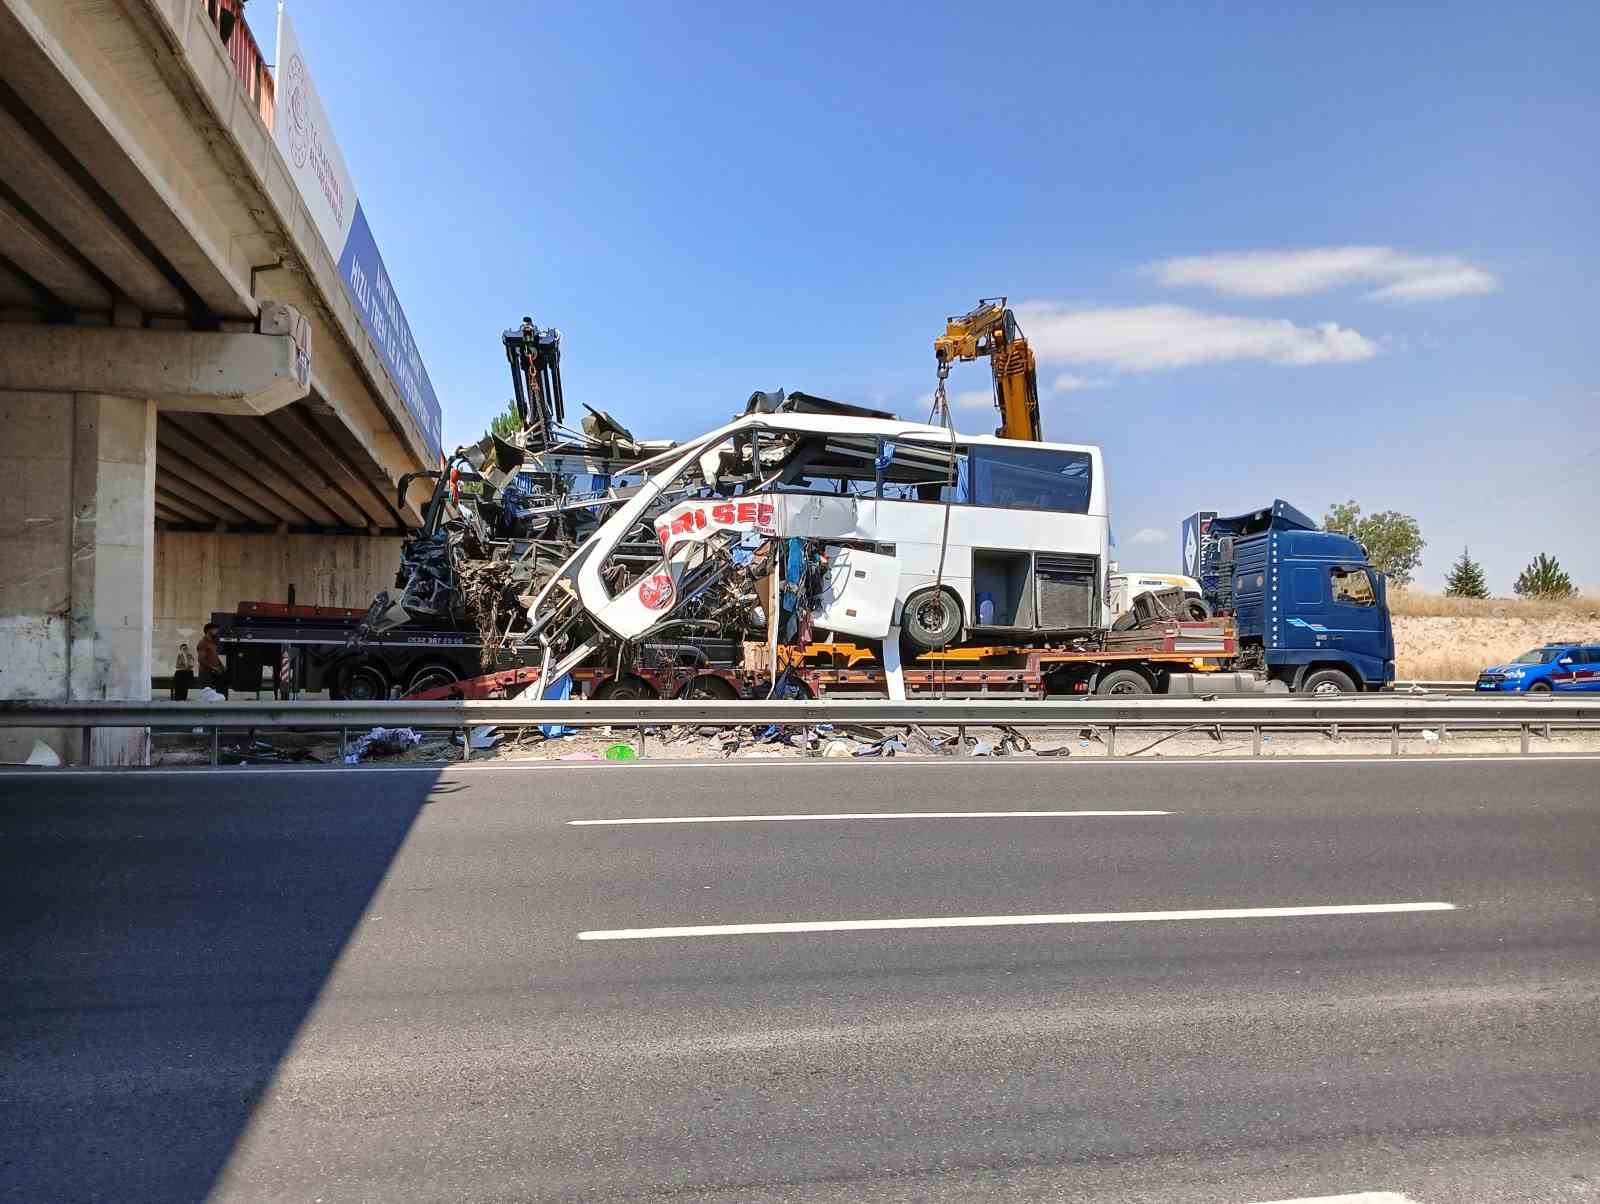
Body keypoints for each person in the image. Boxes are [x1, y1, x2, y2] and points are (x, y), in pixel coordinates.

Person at [197, 623, 227, 697]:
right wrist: (213, 667)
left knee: (221, 696)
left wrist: (222, 667)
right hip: (206, 674)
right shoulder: (202, 643)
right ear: (208, 630)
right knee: (208, 697)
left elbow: (215, 657)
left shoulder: (213, 644)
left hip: (215, 673)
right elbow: (201, 659)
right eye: (214, 629)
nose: (216, 631)